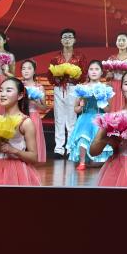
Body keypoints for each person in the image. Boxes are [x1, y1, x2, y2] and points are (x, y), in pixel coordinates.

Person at [67, 60, 113, 170]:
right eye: (91, 69)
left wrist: (101, 102)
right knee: (83, 136)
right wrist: (81, 106)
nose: (94, 71)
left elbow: (108, 110)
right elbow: (76, 109)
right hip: (85, 117)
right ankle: (82, 162)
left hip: (99, 118)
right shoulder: (82, 88)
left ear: (101, 72)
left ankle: (97, 160)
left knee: (98, 142)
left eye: (97, 69)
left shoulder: (105, 88)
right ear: (87, 72)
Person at [48, 28, 85, 158]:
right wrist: (57, 78)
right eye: (65, 37)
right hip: (59, 88)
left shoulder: (80, 57)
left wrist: (75, 77)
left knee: (71, 119)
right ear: (61, 40)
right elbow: (50, 76)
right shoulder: (55, 57)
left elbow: (84, 75)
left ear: (74, 40)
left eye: (70, 37)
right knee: (59, 118)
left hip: (73, 88)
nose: (67, 39)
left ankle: (70, 148)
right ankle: (59, 149)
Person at [19, 59, 47, 163]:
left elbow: (44, 107)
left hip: (34, 116)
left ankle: (32, 158)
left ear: (34, 71)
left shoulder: (39, 87)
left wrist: (35, 103)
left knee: (33, 139)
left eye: (29, 68)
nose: (26, 71)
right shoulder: (18, 86)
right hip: (20, 116)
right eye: (23, 68)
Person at [106, 33, 127, 112]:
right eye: (119, 40)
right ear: (116, 43)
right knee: (114, 108)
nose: (121, 42)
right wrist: (110, 75)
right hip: (114, 87)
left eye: (123, 40)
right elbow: (107, 77)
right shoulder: (111, 58)